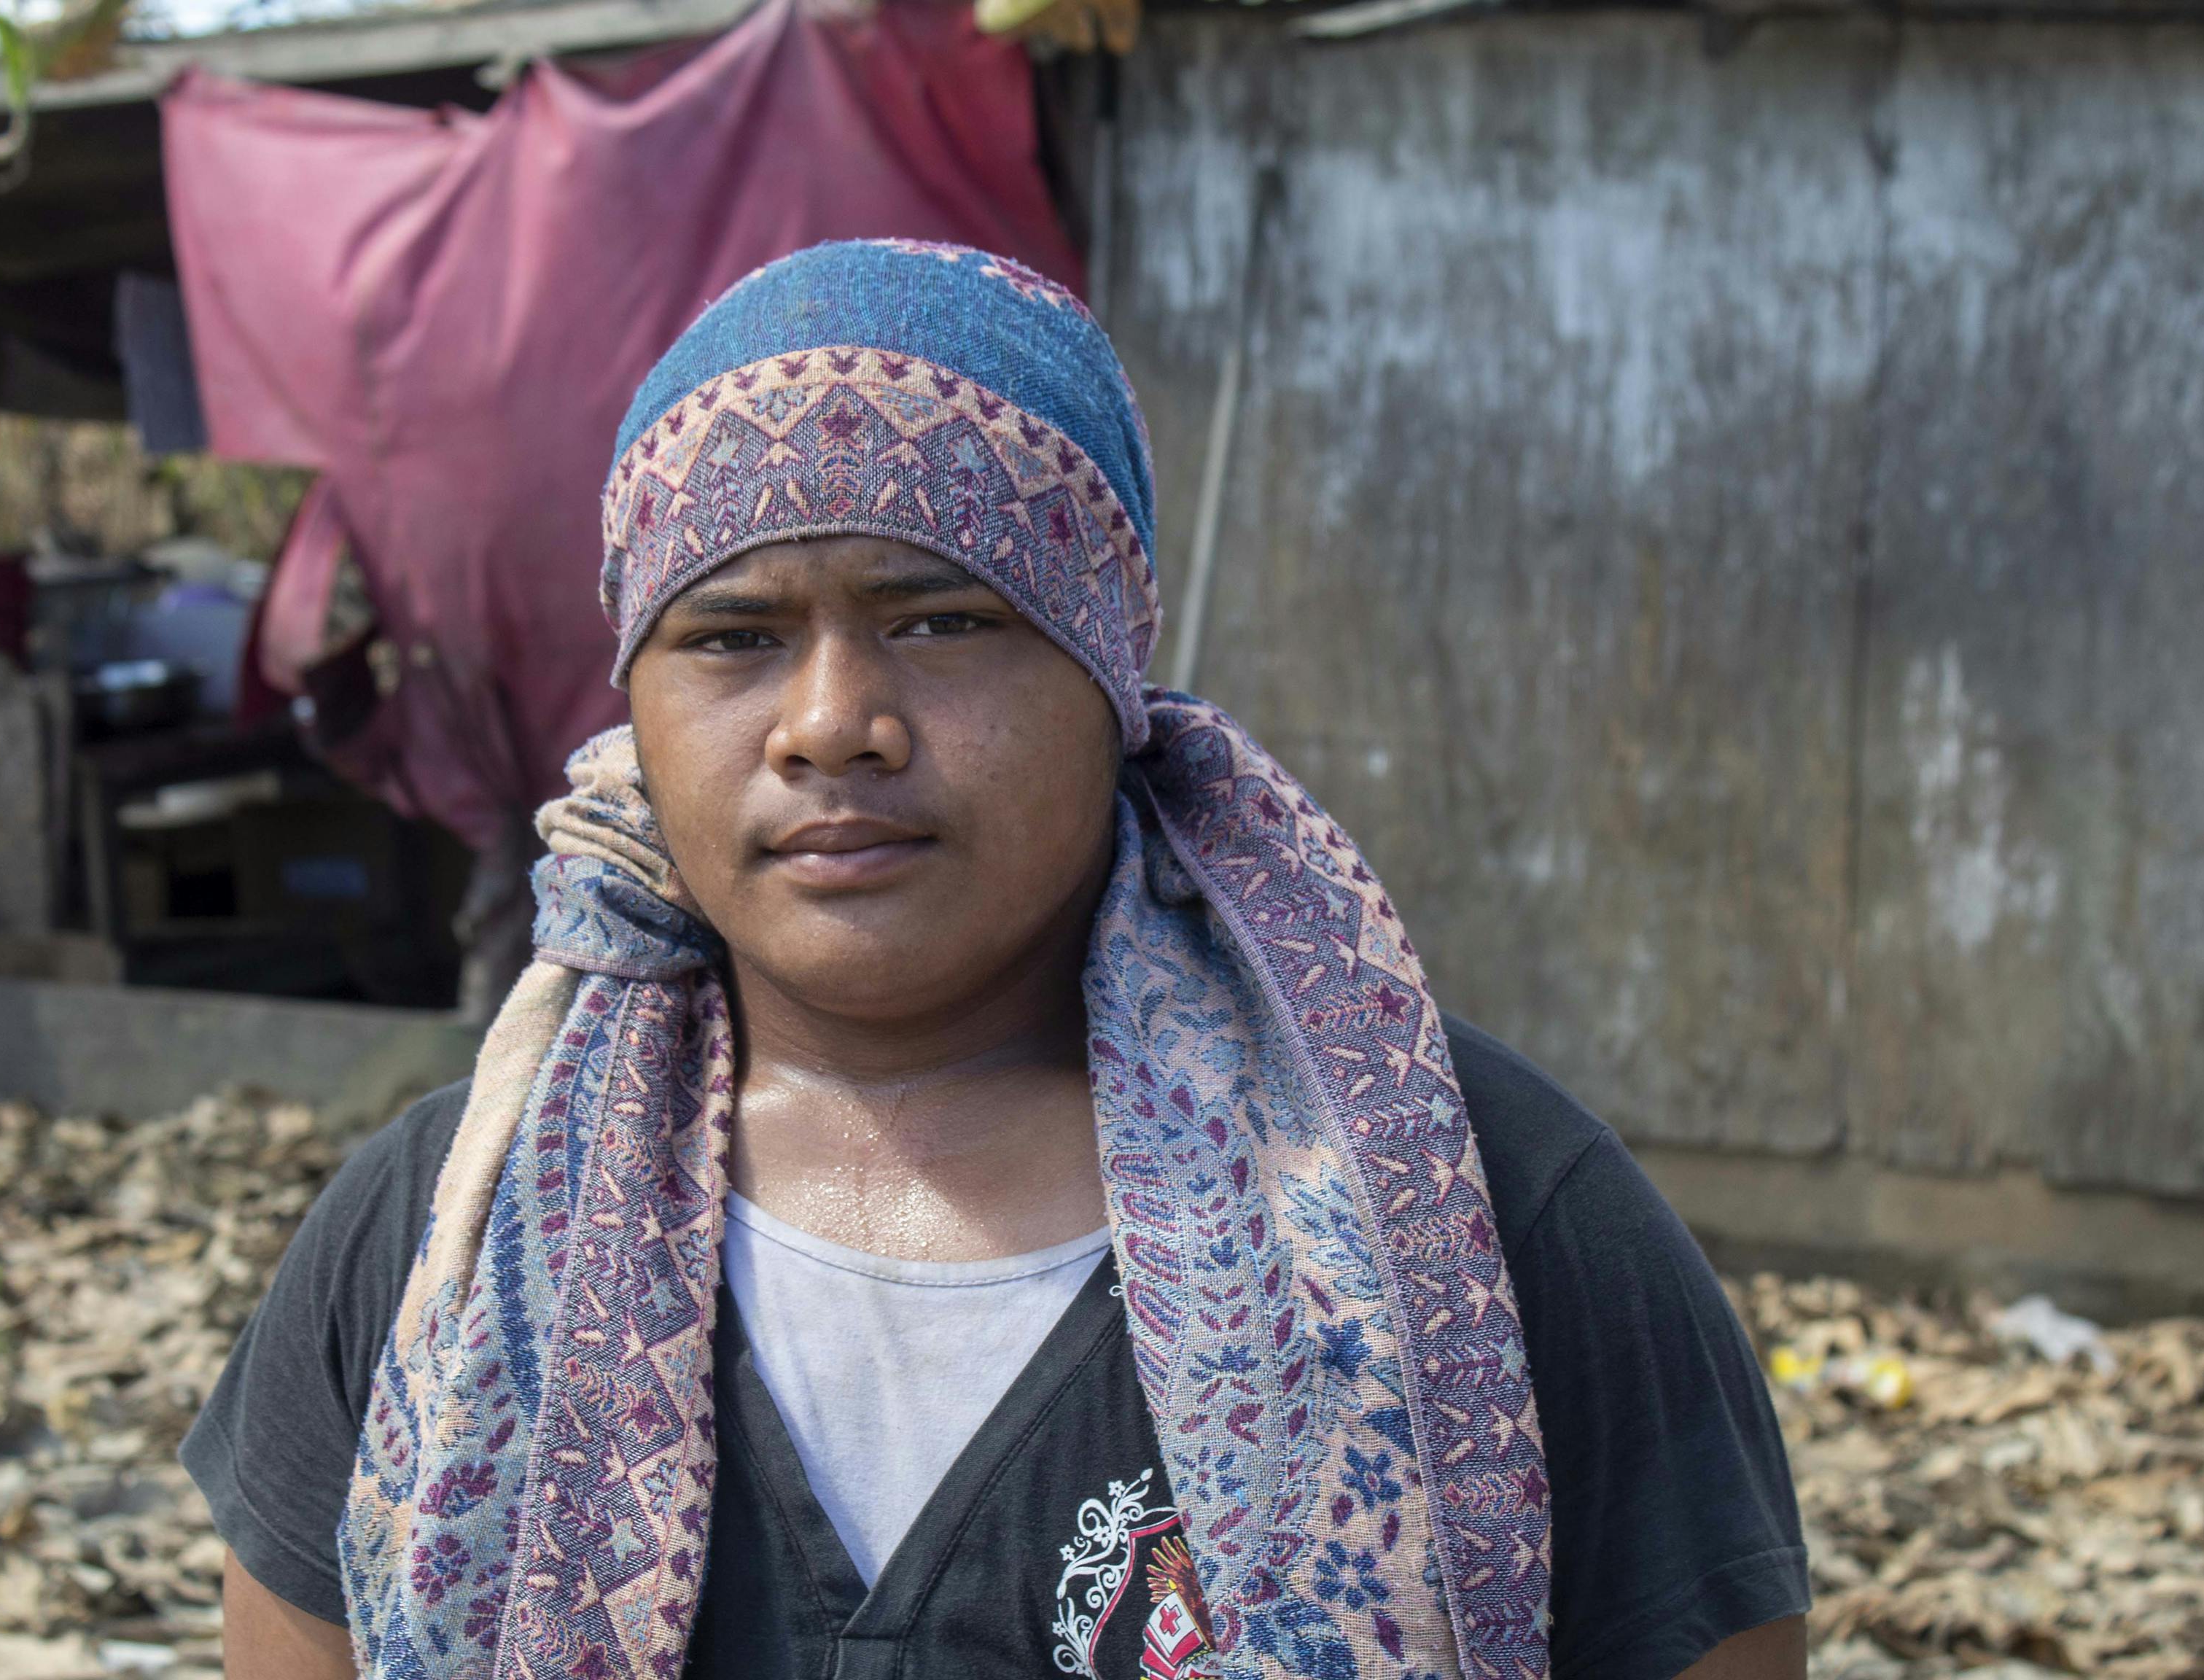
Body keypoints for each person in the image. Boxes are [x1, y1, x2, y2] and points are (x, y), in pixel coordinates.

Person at [186, 240, 1810, 1680]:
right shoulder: (438, 1243)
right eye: (734, 638)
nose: (832, 725)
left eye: (944, 619)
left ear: (1107, 667)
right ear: (639, 703)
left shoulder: (1478, 1219)